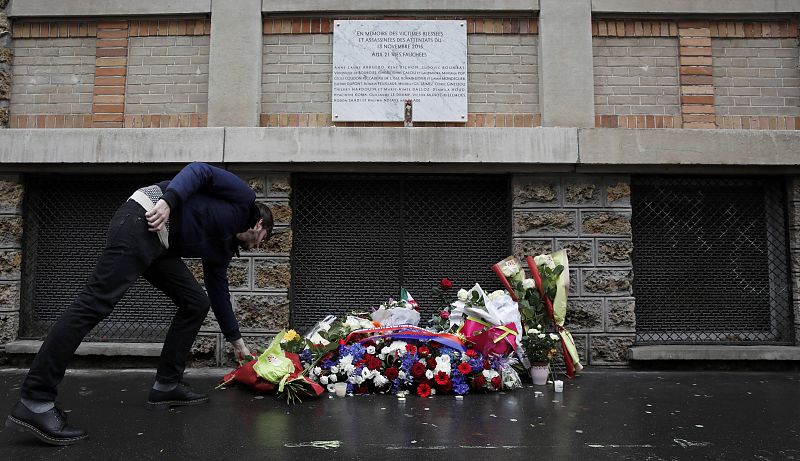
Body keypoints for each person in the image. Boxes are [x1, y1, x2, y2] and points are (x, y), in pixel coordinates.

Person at [5, 162, 273, 446]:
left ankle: (167, 385)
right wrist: (169, 203)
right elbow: (199, 171)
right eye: (263, 240)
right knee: (93, 305)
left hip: (159, 244)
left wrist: (236, 341)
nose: (258, 246)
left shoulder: (222, 245)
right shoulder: (243, 199)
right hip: (142, 217)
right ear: (259, 225)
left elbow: (219, 291)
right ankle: (36, 399)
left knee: (196, 301)